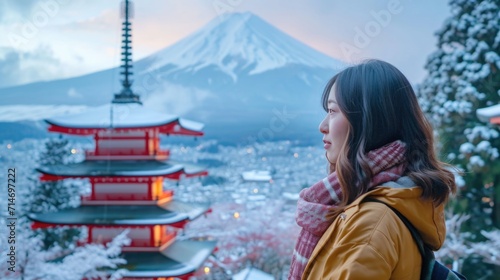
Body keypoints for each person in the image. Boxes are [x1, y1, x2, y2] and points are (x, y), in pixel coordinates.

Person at [288, 59, 456, 279]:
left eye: (332, 111)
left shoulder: (370, 224)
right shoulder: (392, 201)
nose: (323, 126)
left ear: (368, 121)